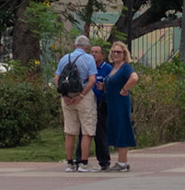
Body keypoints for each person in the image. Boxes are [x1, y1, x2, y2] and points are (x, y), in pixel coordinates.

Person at [54, 34, 98, 172]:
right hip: (83, 97)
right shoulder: (89, 58)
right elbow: (92, 80)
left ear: (74, 46)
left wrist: (64, 95)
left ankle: (69, 163)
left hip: (67, 98)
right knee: (87, 130)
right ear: (87, 47)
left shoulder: (64, 58)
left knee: (70, 131)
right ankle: (83, 163)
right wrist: (81, 95)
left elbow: (56, 79)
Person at [103, 41, 138, 171]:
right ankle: (120, 161)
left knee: (122, 129)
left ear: (124, 54)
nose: (116, 54)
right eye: (114, 52)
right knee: (116, 129)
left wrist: (125, 89)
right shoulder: (114, 68)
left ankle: (123, 162)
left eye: (119, 52)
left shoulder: (125, 67)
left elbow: (134, 78)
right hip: (112, 104)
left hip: (120, 103)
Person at [88, 43, 112, 172]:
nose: (93, 54)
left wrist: (105, 87)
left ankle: (104, 160)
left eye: (96, 52)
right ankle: (81, 159)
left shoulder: (107, 68)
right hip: (88, 102)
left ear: (102, 55)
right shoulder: (89, 67)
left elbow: (112, 83)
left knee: (100, 132)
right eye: (92, 52)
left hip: (101, 103)